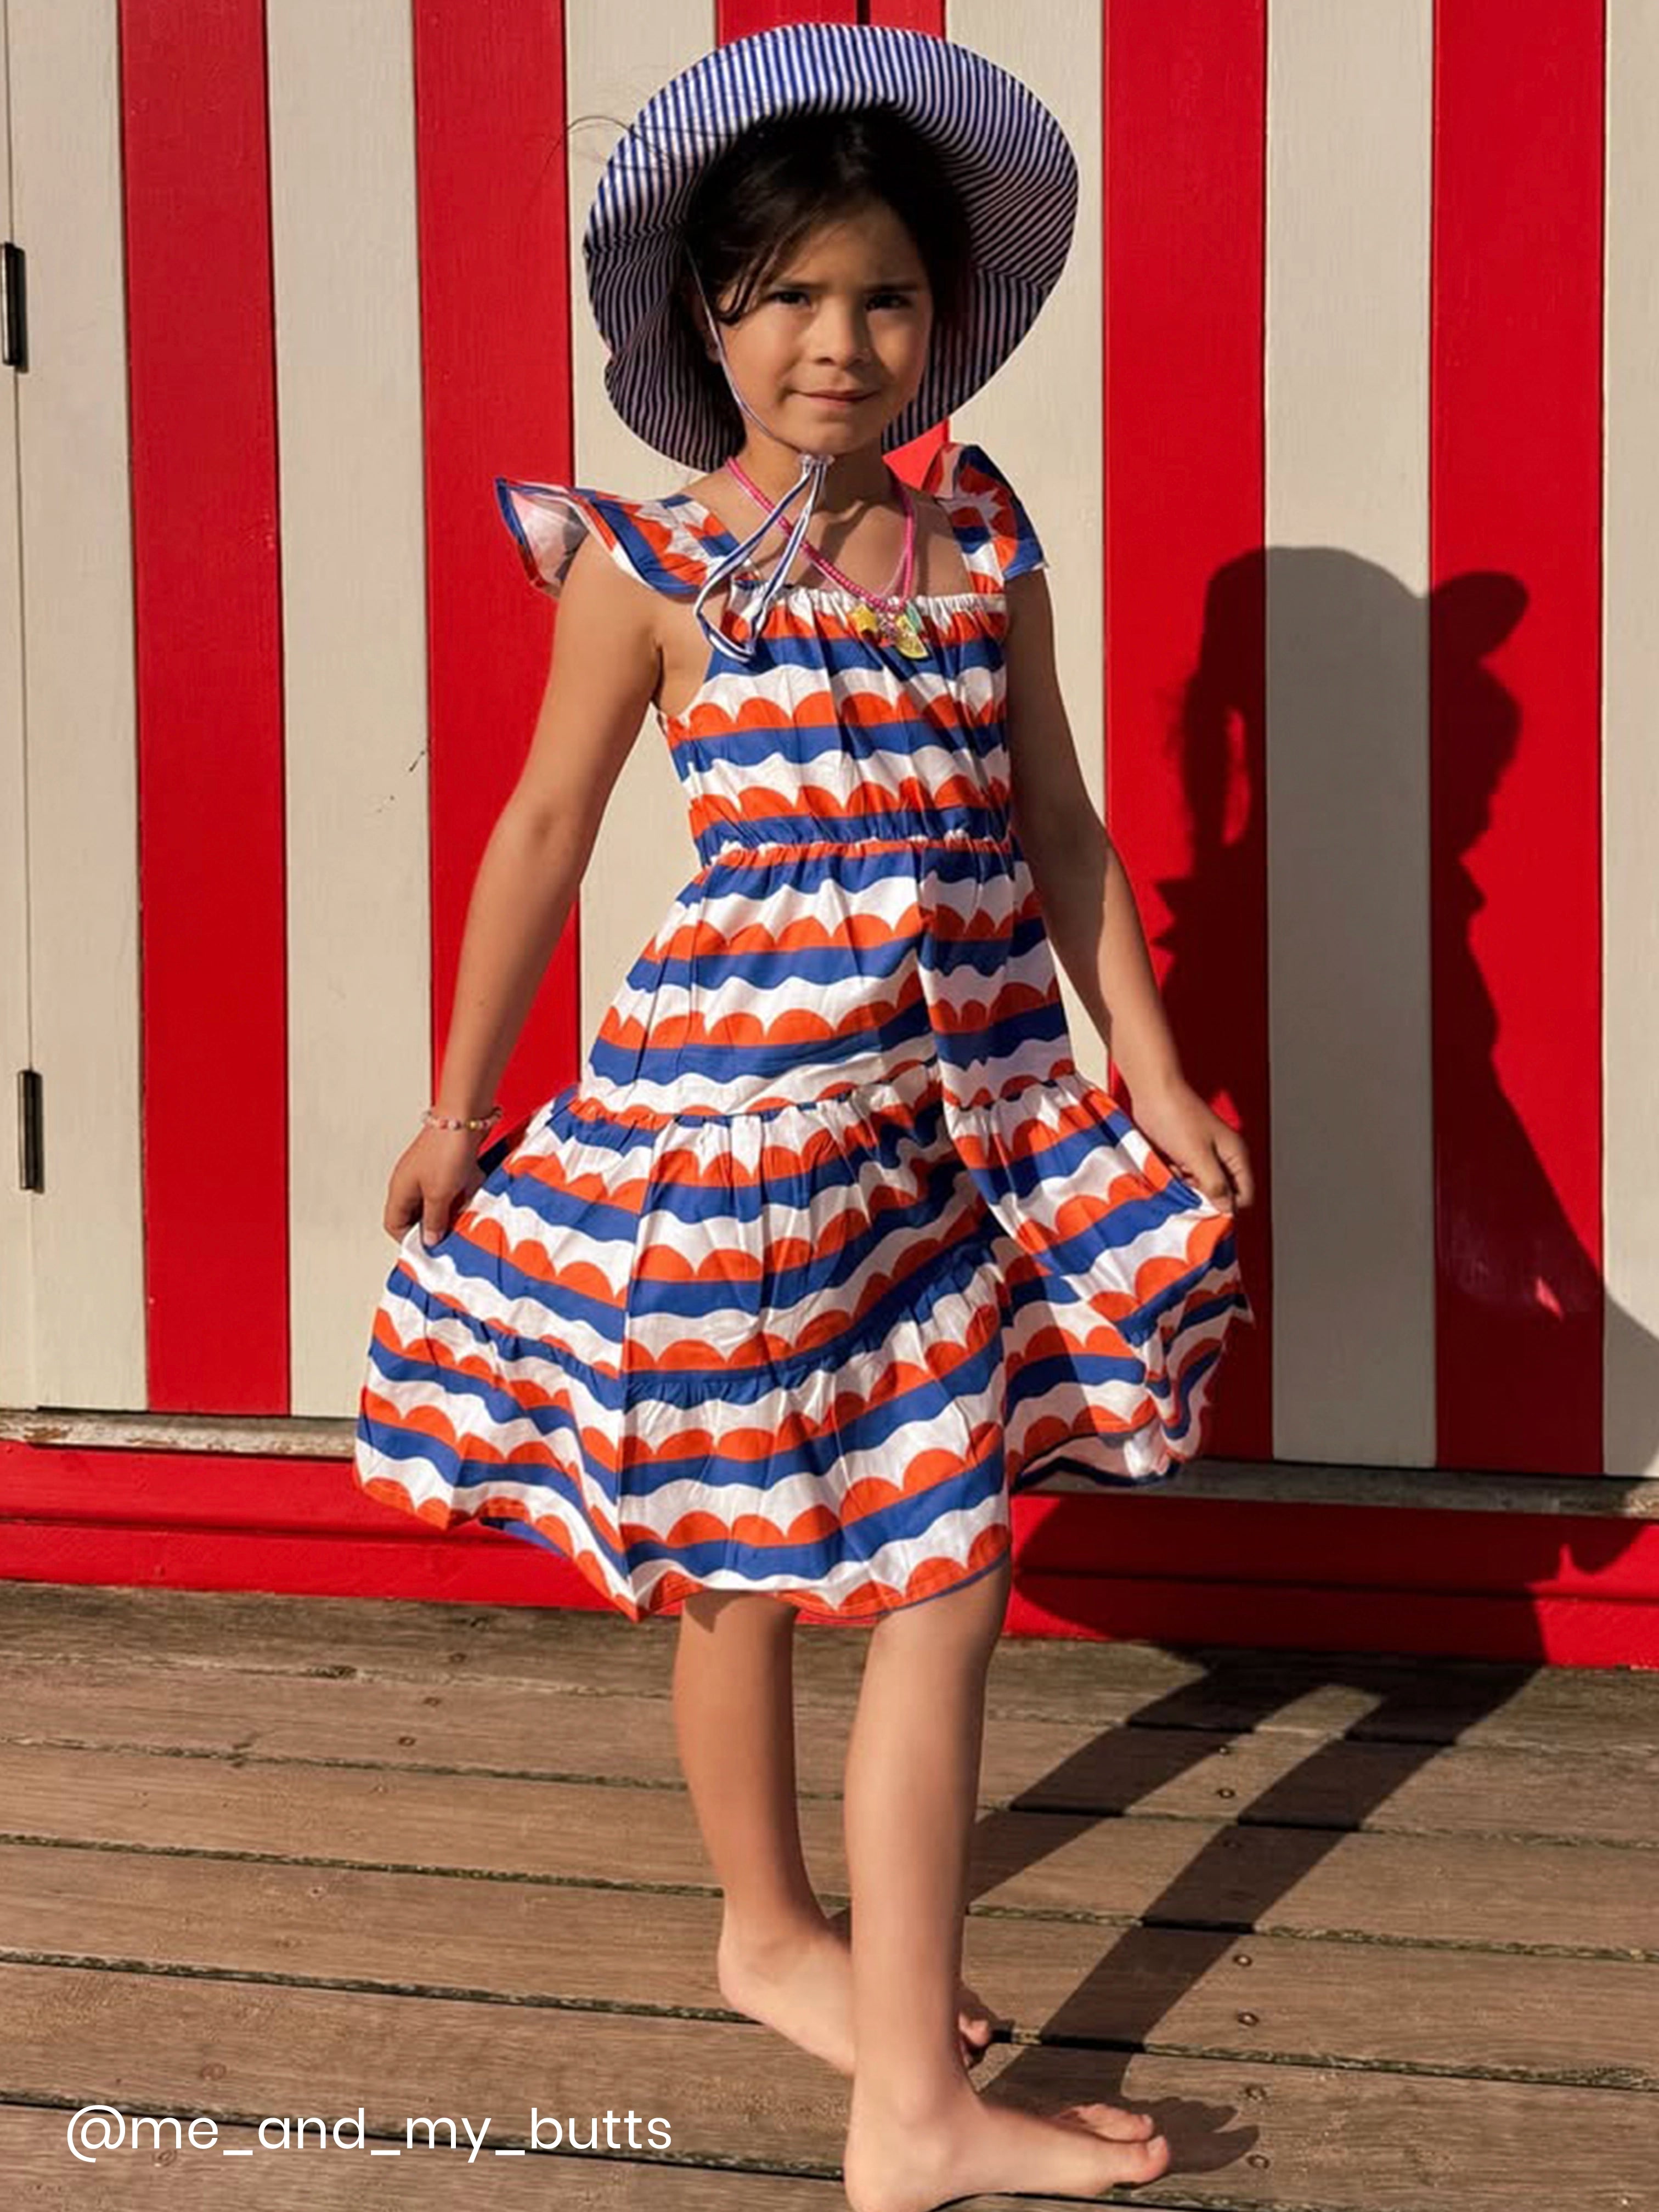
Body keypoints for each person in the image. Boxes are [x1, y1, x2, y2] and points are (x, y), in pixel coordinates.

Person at [353, 22, 1255, 2210]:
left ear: (940, 319)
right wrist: (460, 1102)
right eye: (787, 297)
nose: (836, 344)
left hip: (953, 1136)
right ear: (704, 315)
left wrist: (1139, 1057)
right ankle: (784, 1949)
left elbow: (1058, 823)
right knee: (743, 1569)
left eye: (883, 298)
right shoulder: (652, 568)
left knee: (939, 1560)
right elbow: (546, 825)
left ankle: (871, 2047)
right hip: (740, 1143)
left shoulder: (981, 545)